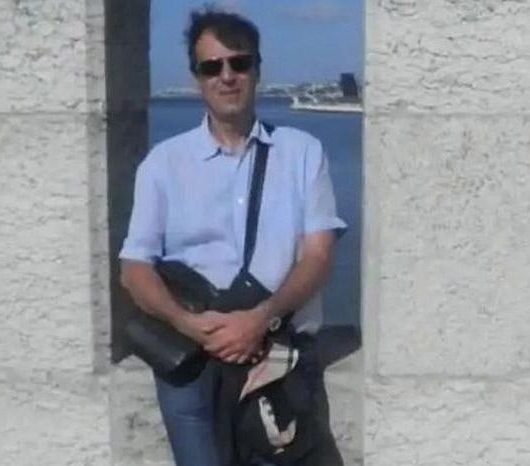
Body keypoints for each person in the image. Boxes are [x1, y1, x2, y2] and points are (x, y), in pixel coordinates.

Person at [119, 7, 346, 466]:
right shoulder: (163, 164)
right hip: (192, 357)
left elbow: (319, 256)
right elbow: (134, 267)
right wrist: (189, 325)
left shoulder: (302, 153)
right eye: (212, 67)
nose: (227, 76)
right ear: (197, 79)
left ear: (258, 69)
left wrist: (261, 318)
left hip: (276, 350)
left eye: (239, 63)